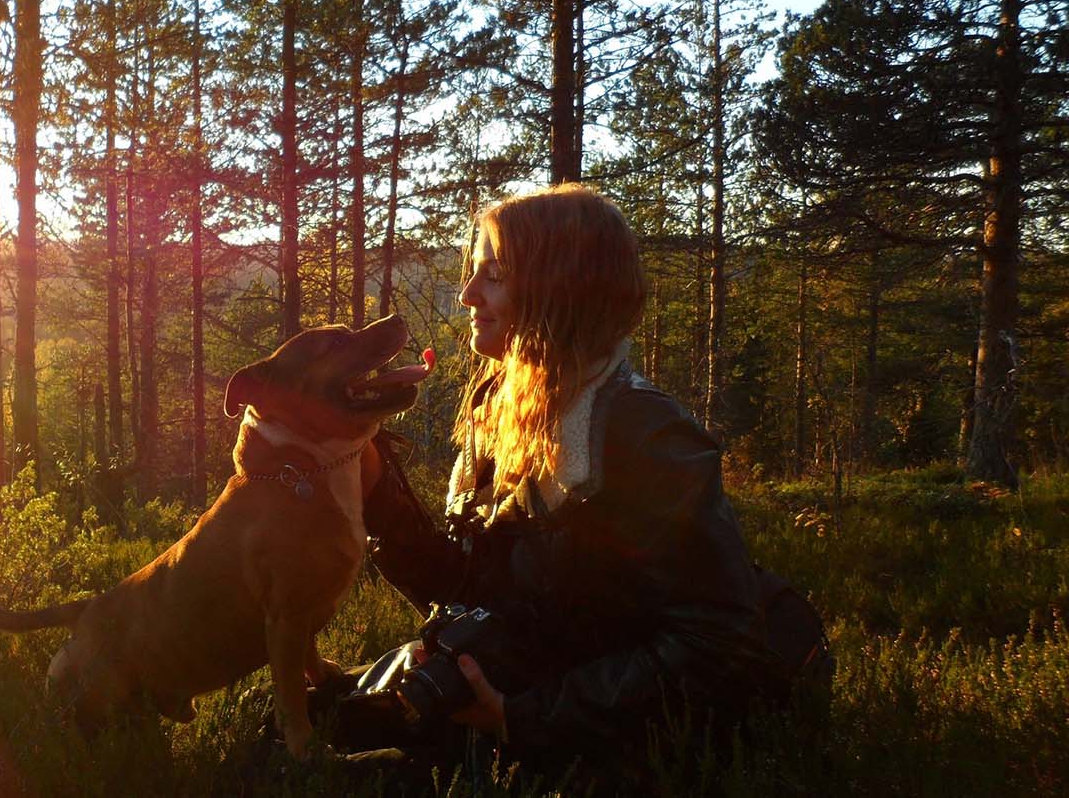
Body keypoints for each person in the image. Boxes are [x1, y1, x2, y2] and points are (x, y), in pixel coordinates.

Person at [325, 183, 781, 788]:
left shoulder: (645, 433)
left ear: (559, 289)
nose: (467, 294)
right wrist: (380, 495)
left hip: (605, 739)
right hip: (525, 704)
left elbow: (718, 642)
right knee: (307, 722)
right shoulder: (501, 406)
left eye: (493, 275)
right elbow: (474, 588)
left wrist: (522, 718)